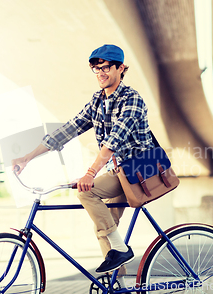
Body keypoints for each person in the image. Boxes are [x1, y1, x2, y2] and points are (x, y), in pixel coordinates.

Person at [11, 44, 154, 275]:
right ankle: (117, 282)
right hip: (120, 172)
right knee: (105, 227)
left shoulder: (132, 99)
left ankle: (120, 249)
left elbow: (113, 141)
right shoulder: (97, 101)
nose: (101, 73)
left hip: (139, 169)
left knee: (86, 191)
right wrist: (27, 157)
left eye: (106, 67)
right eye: (96, 69)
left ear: (120, 68)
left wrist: (91, 173)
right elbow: (69, 129)